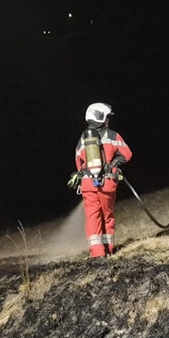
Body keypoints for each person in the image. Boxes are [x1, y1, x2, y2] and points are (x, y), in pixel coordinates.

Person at [71, 102, 132, 258]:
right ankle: (108, 249)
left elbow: (79, 162)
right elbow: (127, 154)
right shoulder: (112, 135)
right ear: (102, 117)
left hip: (87, 184)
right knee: (107, 215)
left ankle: (97, 253)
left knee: (92, 217)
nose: (108, 121)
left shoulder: (83, 139)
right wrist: (114, 164)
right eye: (107, 118)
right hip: (107, 184)